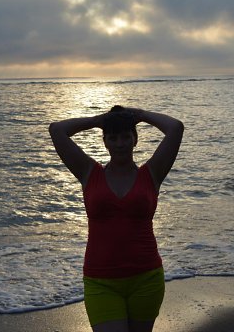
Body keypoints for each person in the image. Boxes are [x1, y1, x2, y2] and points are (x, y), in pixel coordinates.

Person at [49, 105, 184, 332]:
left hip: (146, 278)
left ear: (135, 139)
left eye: (125, 137)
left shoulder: (152, 173)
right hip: (100, 281)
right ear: (104, 142)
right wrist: (97, 120)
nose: (120, 143)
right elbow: (57, 130)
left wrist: (140, 115)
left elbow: (175, 128)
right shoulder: (88, 172)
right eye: (112, 138)